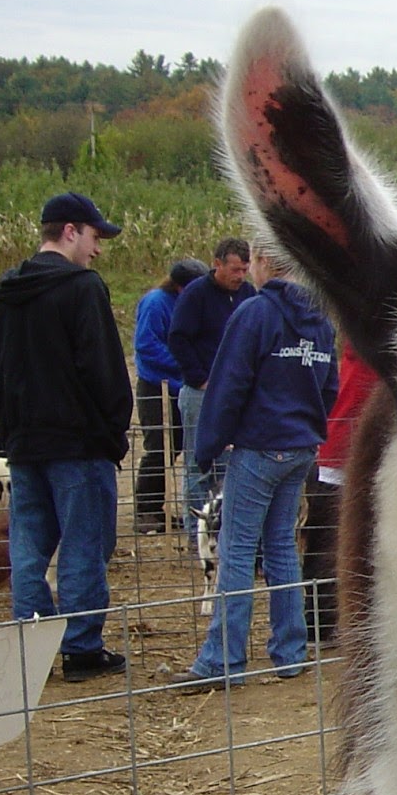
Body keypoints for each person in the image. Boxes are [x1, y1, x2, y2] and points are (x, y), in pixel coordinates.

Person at [0, 192, 134, 683]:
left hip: (26, 444)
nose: (98, 249)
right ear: (70, 231)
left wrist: (8, 433)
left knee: (29, 546)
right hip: (78, 445)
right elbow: (103, 367)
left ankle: (32, 644)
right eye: (94, 237)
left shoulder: (8, 290)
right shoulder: (83, 288)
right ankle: (81, 648)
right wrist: (113, 431)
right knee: (84, 546)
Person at [178, 248, 338, 689]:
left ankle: (222, 659)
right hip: (301, 447)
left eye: (253, 260)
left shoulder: (256, 314)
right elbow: (330, 386)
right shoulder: (320, 320)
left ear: (266, 261)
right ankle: (289, 652)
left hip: (259, 446)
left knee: (237, 548)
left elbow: (229, 382)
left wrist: (208, 445)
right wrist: (308, 426)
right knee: (283, 548)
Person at [167, 237, 256, 542]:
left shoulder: (247, 294)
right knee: (199, 463)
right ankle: (198, 533)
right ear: (217, 264)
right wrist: (199, 377)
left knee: (233, 463)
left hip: (236, 391)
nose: (240, 276)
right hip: (202, 391)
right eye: (234, 269)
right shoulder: (195, 295)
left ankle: (227, 529)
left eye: (245, 269)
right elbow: (178, 338)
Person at [297, 341, 381, 646]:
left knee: (353, 540)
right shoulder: (369, 345)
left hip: (366, 453)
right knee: (327, 538)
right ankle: (319, 621)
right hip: (342, 454)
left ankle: (336, 621)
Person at [131, 258, 204, 532]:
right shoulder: (156, 303)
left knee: (180, 447)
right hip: (156, 385)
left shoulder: (192, 303)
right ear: (178, 285)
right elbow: (147, 345)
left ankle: (170, 509)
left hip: (183, 386)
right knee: (159, 448)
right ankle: (146, 509)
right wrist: (185, 361)